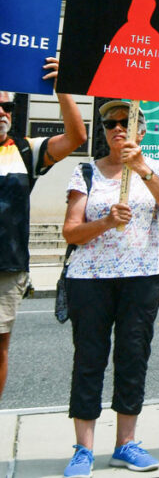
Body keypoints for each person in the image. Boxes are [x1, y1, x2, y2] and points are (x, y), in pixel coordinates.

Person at [61, 101, 159, 476]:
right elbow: (70, 231)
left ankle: (126, 443)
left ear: (141, 133)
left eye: (126, 124)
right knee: (90, 358)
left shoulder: (157, 168)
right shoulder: (85, 172)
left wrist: (142, 169)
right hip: (90, 280)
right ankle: (84, 449)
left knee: (133, 355)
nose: (118, 129)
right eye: (111, 123)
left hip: (142, 276)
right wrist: (106, 222)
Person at [0, 58, 87, 402]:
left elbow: (77, 136)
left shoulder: (24, 150)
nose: (4, 112)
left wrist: (61, 87)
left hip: (6, 268)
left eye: (8, 106)